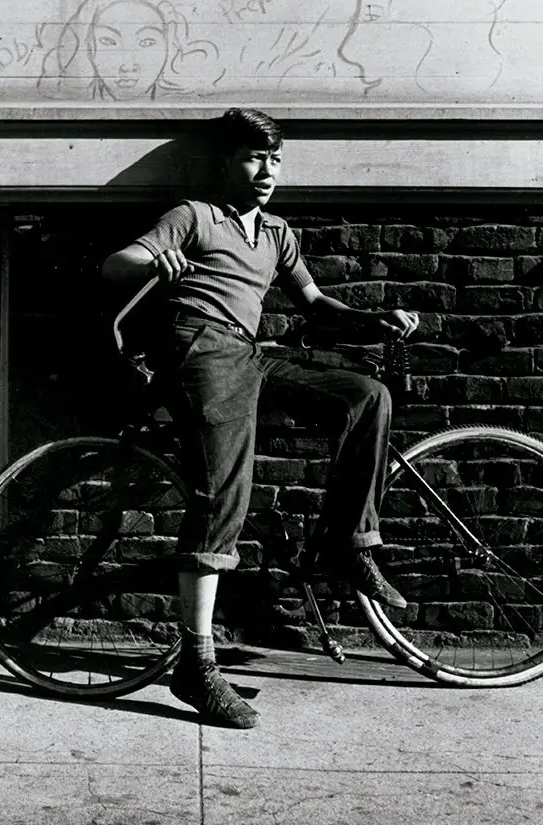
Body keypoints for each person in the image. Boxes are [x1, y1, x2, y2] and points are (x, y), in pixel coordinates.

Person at [101, 107, 419, 729]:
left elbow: (314, 303)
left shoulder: (276, 233)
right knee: (224, 492)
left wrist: (370, 319)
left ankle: (347, 545)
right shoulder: (195, 217)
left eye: (275, 159)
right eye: (254, 158)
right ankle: (195, 664)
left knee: (366, 395)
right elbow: (117, 263)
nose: (267, 171)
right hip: (199, 346)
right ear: (227, 160)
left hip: (251, 352)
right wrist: (153, 264)